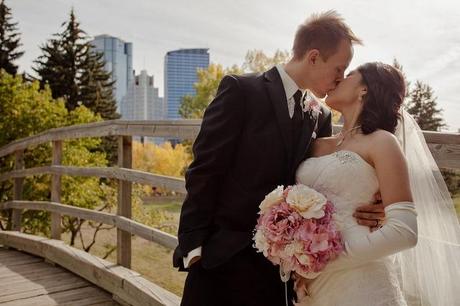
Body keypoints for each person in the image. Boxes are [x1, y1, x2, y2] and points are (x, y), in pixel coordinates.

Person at [173, 11, 386, 306]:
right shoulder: (241, 91)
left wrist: (378, 198)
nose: (340, 79)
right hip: (221, 259)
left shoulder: (320, 116)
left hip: (278, 272)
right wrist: (193, 248)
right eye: (339, 69)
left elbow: (327, 176)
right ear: (313, 57)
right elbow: (204, 170)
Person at [294, 62, 460, 306]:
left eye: (349, 74)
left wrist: (318, 260)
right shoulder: (316, 143)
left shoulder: (383, 143)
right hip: (312, 289)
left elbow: (404, 232)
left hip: (361, 285)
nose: (339, 79)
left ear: (364, 90)